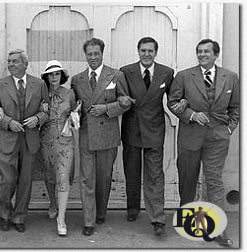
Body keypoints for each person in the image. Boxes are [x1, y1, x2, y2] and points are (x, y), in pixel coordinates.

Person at [167, 38, 239, 246]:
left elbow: (236, 107)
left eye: (207, 52)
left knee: (214, 181)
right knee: (188, 180)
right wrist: (191, 115)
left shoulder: (230, 77)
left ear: (216, 54)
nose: (202, 55)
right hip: (190, 136)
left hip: (217, 138)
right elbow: (172, 103)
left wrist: (229, 128)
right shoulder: (183, 76)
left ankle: (218, 228)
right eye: (199, 51)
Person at [71, 37, 131, 236]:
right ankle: (89, 221)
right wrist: (76, 112)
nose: (93, 57)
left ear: (102, 54)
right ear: (85, 56)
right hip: (87, 135)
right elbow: (74, 106)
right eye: (90, 54)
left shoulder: (116, 75)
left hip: (108, 135)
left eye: (97, 53)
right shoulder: (77, 79)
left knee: (104, 178)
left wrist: (106, 108)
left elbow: (126, 102)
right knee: (87, 178)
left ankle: (101, 212)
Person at [0, 49, 49, 233]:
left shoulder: (39, 84)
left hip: (30, 140)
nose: (11, 64)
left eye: (15, 61)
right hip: (8, 139)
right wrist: (8, 122)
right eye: (9, 61)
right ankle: (5, 214)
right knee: (7, 180)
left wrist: (38, 119)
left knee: (25, 181)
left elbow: (46, 110)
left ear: (25, 64)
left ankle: (20, 216)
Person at [119, 37, 174, 236]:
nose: (147, 54)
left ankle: (158, 219)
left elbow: (174, 99)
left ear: (156, 52)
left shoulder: (166, 73)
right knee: (132, 173)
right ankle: (132, 209)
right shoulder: (126, 71)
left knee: (155, 176)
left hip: (154, 130)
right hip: (132, 129)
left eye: (150, 50)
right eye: (143, 50)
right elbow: (119, 95)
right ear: (138, 51)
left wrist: (185, 109)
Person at [39, 60, 80, 236]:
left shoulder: (69, 93)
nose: (54, 77)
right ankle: (53, 203)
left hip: (65, 141)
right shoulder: (40, 94)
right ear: (46, 76)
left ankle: (61, 219)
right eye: (51, 74)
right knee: (49, 175)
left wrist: (74, 116)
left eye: (57, 73)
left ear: (61, 75)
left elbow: (76, 113)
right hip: (46, 140)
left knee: (63, 176)